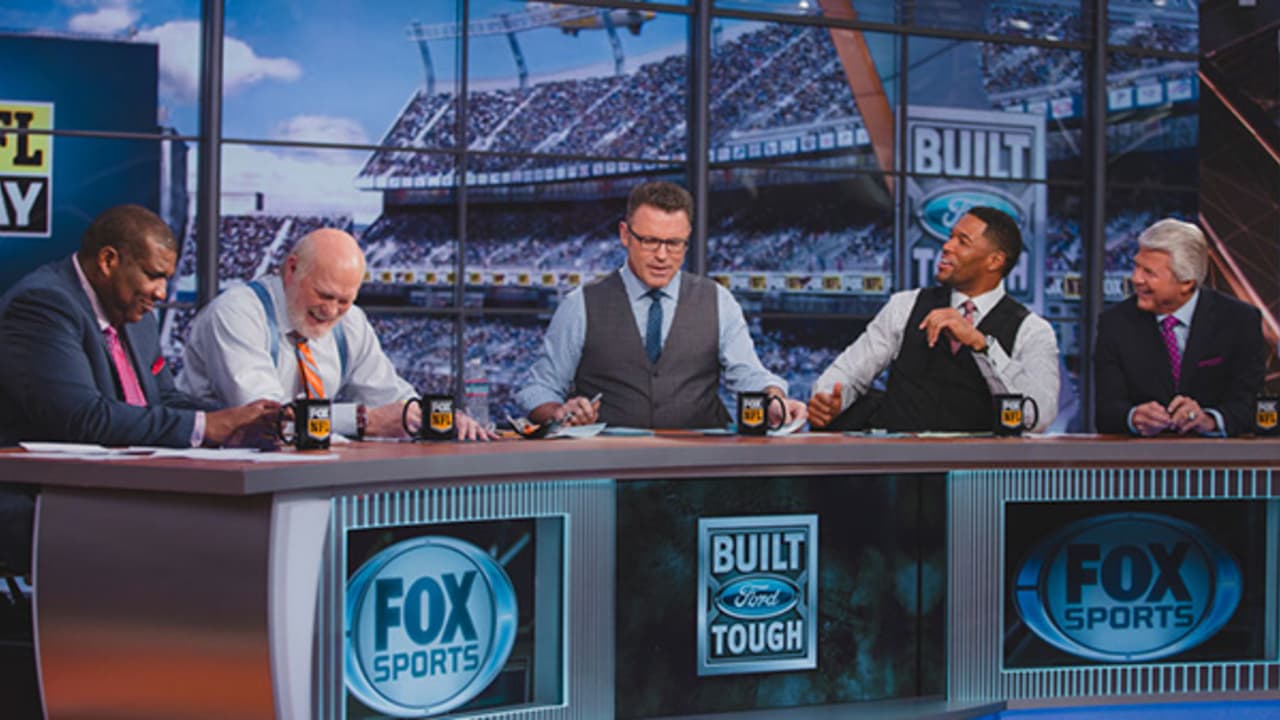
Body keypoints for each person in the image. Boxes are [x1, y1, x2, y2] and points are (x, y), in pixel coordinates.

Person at [517, 181, 806, 429]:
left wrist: (773, 398)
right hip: (609, 463)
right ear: (625, 235)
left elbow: (748, 375)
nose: (662, 256)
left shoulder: (719, 300)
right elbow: (538, 388)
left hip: (699, 464)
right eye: (650, 241)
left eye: (674, 243)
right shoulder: (580, 304)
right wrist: (559, 412)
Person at [0, 204, 279, 449]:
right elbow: (82, 417)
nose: (161, 293)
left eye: (167, 279)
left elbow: (161, 399)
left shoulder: (137, 316)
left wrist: (239, 419)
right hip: (47, 486)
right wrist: (206, 426)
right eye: (153, 275)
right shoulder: (43, 305)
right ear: (108, 261)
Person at [178, 228, 494, 441]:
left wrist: (432, 417)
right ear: (291, 269)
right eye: (324, 295)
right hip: (220, 479)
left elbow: (390, 396)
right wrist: (363, 420)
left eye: (344, 300)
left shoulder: (351, 322)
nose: (331, 311)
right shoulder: (237, 313)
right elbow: (267, 420)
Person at [809, 206, 1059, 432]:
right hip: (899, 462)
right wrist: (829, 399)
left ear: (994, 261)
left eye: (963, 241)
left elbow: (1039, 416)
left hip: (976, 466)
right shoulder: (904, 306)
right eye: (950, 237)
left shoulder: (1032, 330)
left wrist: (983, 345)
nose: (947, 246)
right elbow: (847, 372)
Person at [1094, 218, 1265, 437]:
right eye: (1136, 266)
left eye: (1149, 272)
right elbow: (1105, 411)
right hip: (1142, 455)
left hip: (1217, 455)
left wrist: (1210, 420)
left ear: (1186, 283)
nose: (1136, 279)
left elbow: (1251, 405)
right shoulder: (1115, 324)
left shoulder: (1240, 321)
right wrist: (1133, 417)